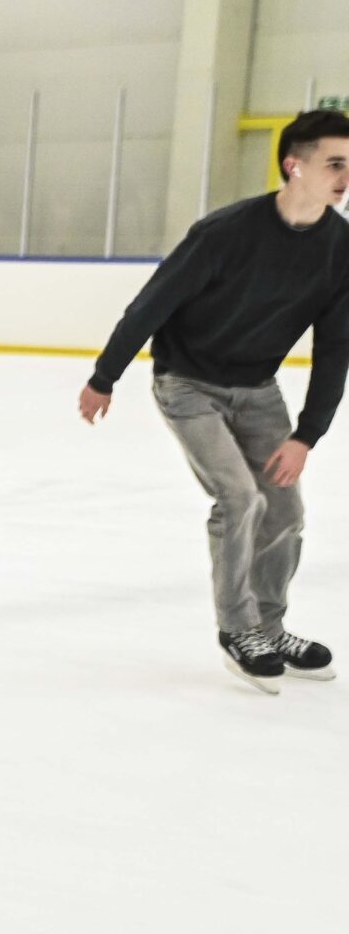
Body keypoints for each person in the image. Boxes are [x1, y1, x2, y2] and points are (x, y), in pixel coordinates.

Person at [81, 106, 349, 692]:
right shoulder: (227, 232)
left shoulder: (340, 247)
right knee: (240, 497)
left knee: (286, 512)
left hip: (258, 391)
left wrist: (307, 435)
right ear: (294, 165)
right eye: (335, 163)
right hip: (187, 383)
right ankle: (238, 629)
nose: (345, 177)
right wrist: (105, 376)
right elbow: (152, 305)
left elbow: (336, 347)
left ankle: (270, 627)